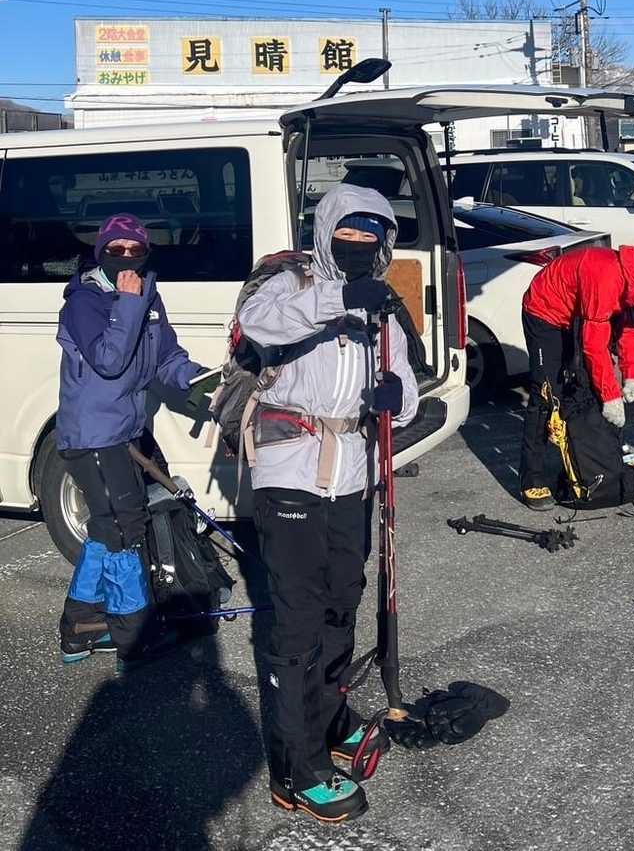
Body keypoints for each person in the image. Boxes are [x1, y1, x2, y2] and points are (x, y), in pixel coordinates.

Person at [238, 184, 419, 826]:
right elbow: (261, 326)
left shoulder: (384, 308)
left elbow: (407, 388)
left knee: (343, 598)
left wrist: (399, 396)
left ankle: (331, 713)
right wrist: (342, 297)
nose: (360, 246)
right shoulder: (290, 284)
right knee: (298, 619)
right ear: (327, 233)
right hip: (290, 466)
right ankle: (296, 766)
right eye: (349, 234)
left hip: (352, 471)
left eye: (373, 237)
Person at [56, 212, 207, 666]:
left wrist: (200, 381)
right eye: (115, 248)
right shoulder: (84, 301)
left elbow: (166, 358)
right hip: (91, 433)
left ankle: (80, 625)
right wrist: (127, 302)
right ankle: (133, 633)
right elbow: (109, 359)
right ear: (100, 251)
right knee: (125, 527)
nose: (126, 256)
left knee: (108, 527)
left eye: (135, 249)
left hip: (121, 429)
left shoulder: (148, 297)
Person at [518, 244, 634, 509]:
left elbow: (630, 329)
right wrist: (610, 397)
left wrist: (631, 375)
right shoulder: (605, 277)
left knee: (586, 388)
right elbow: (594, 346)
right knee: (546, 395)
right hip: (546, 312)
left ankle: (581, 460)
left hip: (580, 314)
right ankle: (532, 479)